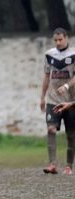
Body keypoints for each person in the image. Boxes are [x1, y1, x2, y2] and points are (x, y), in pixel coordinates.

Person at [40, 28, 75, 175]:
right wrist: (42, 97)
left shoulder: (74, 54)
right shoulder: (49, 55)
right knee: (51, 129)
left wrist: (67, 86)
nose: (58, 42)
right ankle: (52, 164)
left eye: (60, 39)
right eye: (55, 40)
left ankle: (69, 166)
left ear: (67, 38)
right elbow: (47, 76)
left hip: (70, 101)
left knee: (71, 134)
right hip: (53, 99)